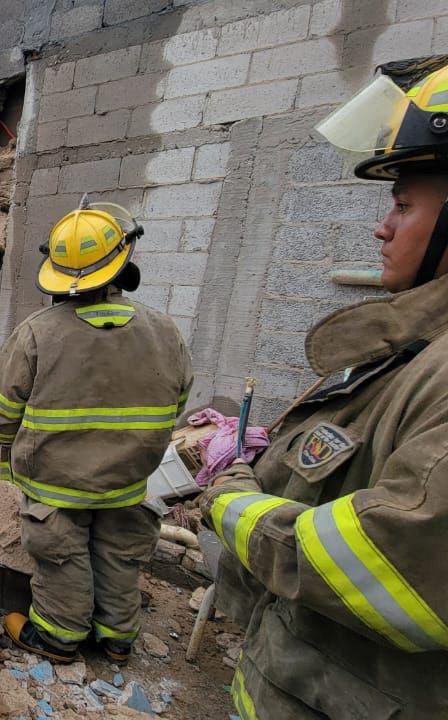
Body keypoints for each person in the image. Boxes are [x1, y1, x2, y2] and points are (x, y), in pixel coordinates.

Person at [197, 63, 448, 719]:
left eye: (402, 204)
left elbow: (394, 568)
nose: (382, 228)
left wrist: (233, 500)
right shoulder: (410, 350)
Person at [0, 199, 193, 664]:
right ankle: (117, 638)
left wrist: (14, 451)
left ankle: (60, 637)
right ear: (124, 263)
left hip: (55, 482)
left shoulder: (37, 333)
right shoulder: (166, 332)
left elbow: (1, 410)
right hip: (128, 481)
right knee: (120, 555)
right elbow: (177, 404)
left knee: (62, 556)